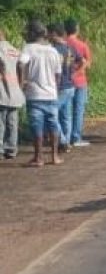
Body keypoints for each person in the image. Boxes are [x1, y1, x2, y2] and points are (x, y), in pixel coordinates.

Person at [19, 21, 63, 167]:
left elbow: (20, 63)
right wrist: (54, 87)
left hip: (35, 94)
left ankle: (38, 158)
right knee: (53, 125)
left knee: (37, 126)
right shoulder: (53, 50)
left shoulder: (28, 48)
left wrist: (22, 83)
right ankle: (55, 156)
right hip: (51, 95)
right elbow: (58, 74)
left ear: (32, 33)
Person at [49, 24, 81, 153]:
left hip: (60, 86)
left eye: (49, 33)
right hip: (70, 85)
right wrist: (74, 73)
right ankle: (66, 142)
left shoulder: (54, 50)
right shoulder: (70, 48)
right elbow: (82, 60)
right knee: (66, 116)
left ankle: (62, 141)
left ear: (54, 34)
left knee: (51, 113)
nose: (48, 35)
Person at [65, 18, 92, 147]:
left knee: (66, 110)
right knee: (78, 110)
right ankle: (75, 137)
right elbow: (88, 63)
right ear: (77, 29)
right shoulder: (82, 45)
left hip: (65, 81)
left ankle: (65, 137)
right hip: (80, 81)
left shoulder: (62, 44)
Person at [0, 29, 25, 160]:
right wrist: (20, 87)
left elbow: (2, 68)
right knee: (12, 122)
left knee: (1, 122)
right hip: (15, 91)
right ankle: (11, 148)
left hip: (2, 91)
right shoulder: (14, 50)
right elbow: (21, 67)